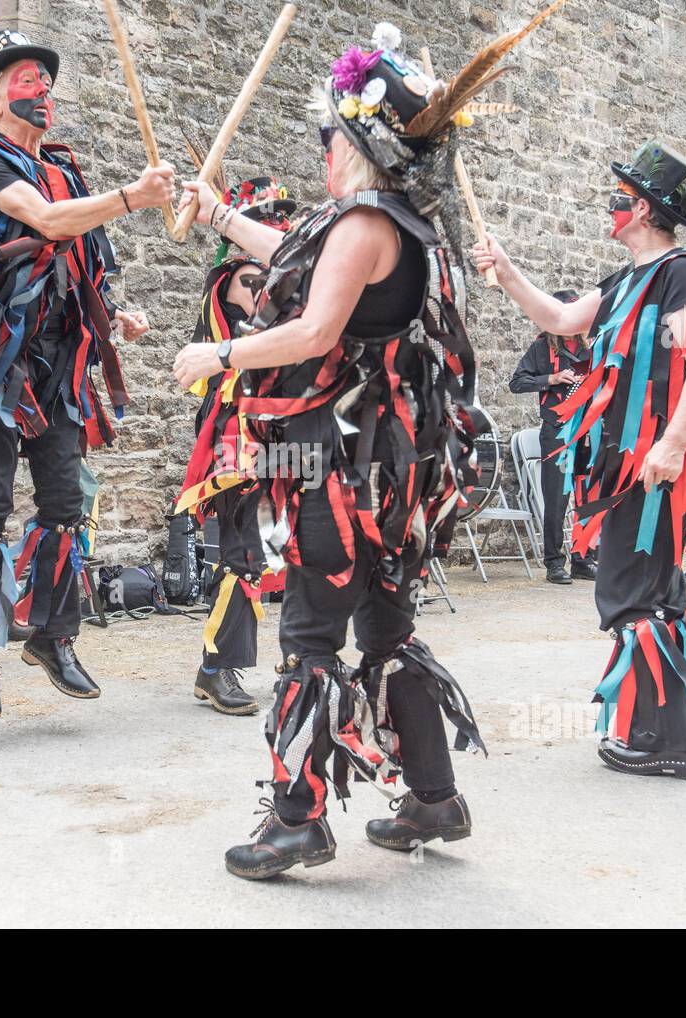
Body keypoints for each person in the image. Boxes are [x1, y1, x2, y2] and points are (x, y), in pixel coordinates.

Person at [171, 15, 553, 877]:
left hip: (340, 472)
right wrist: (222, 215)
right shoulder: (399, 224)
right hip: (392, 476)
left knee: (309, 638)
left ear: (363, 140)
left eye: (330, 137)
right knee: (385, 629)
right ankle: (433, 797)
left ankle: (298, 822)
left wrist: (220, 352)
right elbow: (296, 257)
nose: (321, 153)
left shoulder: (364, 224)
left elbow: (311, 328)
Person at [0, 29, 175, 719]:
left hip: (58, 367)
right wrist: (133, 197)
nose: (39, 89)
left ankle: (52, 637)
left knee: (64, 505)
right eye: (23, 78)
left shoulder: (65, 172)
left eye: (44, 80)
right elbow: (48, 224)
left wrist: (114, 316)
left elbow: (79, 261)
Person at [473, 139, 686, 780]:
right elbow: (563, 319)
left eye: (619, 199)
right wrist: (508, 270)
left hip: (653, 460)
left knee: (629, 589)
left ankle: (664, 743)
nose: (609, 207)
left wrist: (674, 443)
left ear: (647, 211)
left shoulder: (681, 271)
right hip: (629, 460)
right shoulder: (625, 280)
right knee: (661, 588)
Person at [174, 176, 296, 716]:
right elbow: (258, 337)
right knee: (246, 549)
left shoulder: (293, 279)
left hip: (288, 426)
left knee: (296, 542)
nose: (282, 222)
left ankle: (301, 657)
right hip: (240, 428)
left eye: (284, 214)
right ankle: (215, 669)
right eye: (272, 214)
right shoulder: (243, 278)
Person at [508, 290, 597, 583]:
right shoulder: (541, 349)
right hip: (556, 431)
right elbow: (517, 383)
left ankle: (583, 558)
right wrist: (552, 379)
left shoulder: (591, 350)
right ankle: (554, 563)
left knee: (587, 496)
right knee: (557, 497)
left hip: (587, 432)